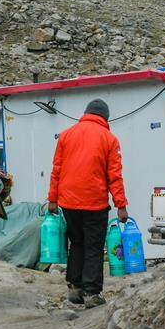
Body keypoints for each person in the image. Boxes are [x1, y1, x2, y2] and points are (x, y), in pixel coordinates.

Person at [47, 98, 128, 309]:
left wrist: (52, 199)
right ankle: (92, 293)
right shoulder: (110, 139)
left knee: (77, 243)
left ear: (86, 113)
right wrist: (121, 205)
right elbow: (114, 176)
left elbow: (56, 169)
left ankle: (74, 287)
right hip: (95, 202)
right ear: (105, 117)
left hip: (68, 202)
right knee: (93, 246)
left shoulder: (66, 135)